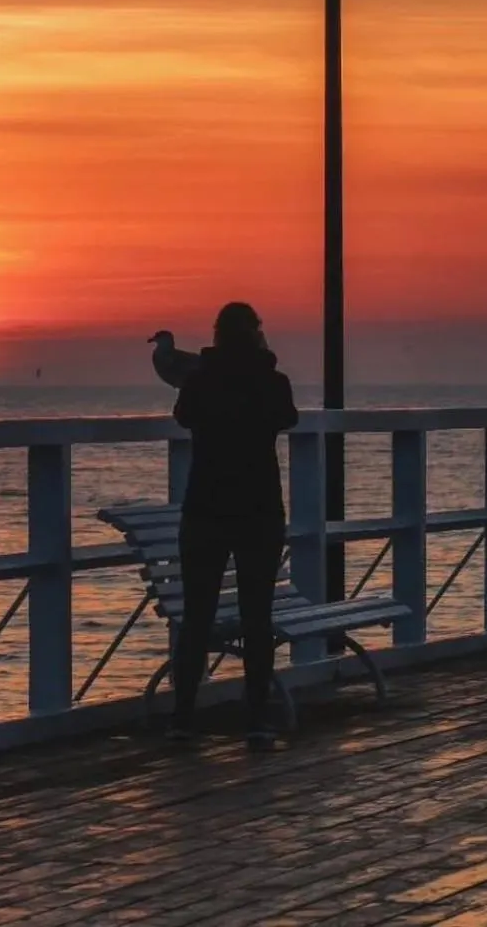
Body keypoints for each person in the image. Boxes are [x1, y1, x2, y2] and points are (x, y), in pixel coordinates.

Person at [167, 301, 298, 748]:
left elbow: (183, 416)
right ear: (257, 333)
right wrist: (264, 359)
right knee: (256, 616)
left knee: (197, 616)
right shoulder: (272, 381)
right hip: (258, 510)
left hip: (205, 508)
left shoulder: (201, 380)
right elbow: (286, 416)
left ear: (217, 335)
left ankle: (183, 718)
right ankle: (257, 721)